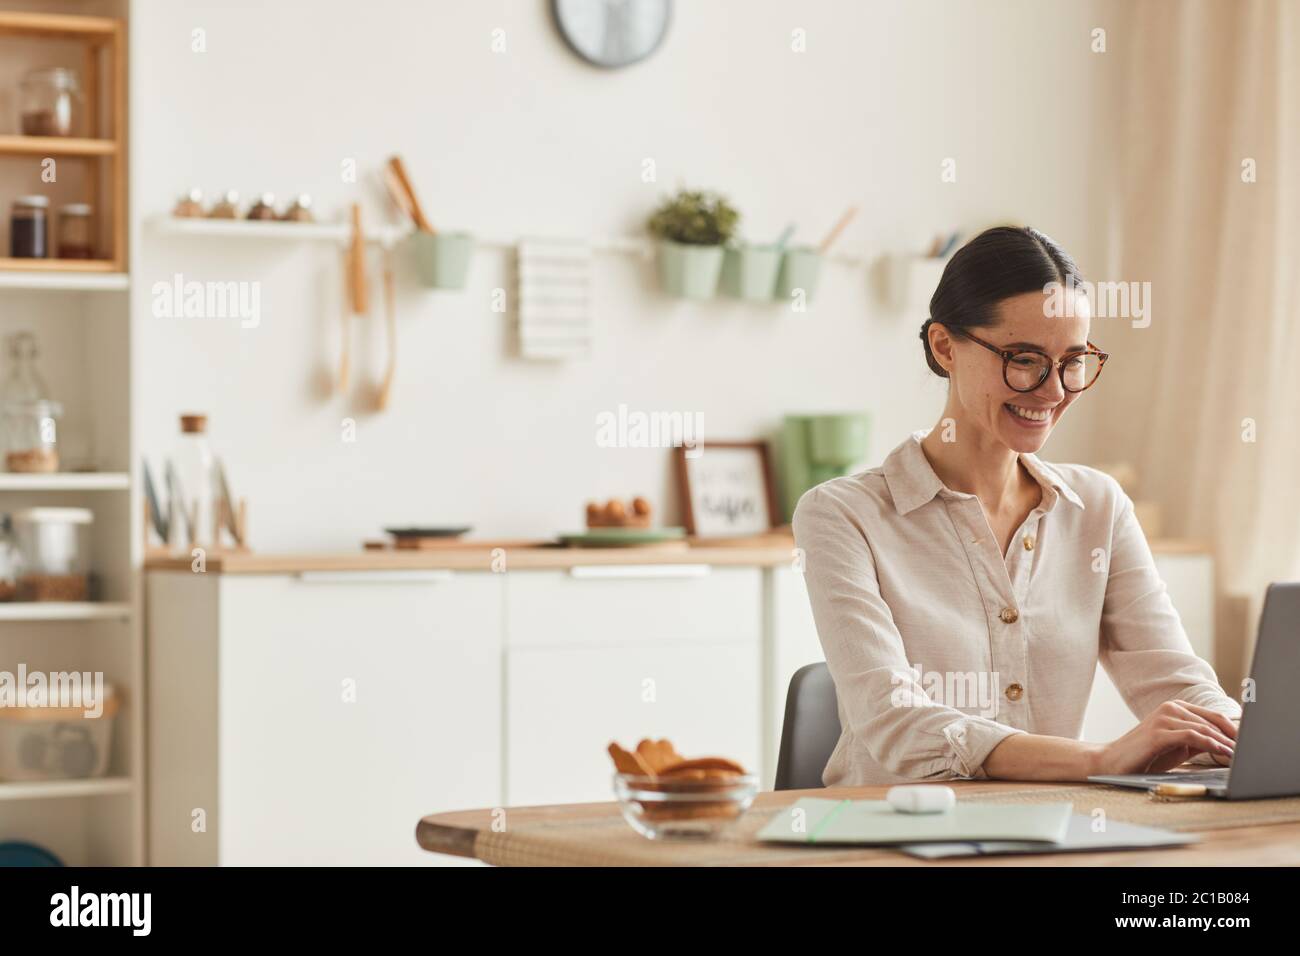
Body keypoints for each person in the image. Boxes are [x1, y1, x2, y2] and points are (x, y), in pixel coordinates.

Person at [792, 225, 1240, 786]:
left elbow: (1175, 680)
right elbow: (893, 719)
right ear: (944, 346)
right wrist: (1099, 761)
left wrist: (1243, 735)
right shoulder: (842, 515)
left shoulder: (1098, 508)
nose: (1053, 390)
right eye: (1025, 358)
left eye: (1073, 361)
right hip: (891, 840)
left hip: (1051, 835)